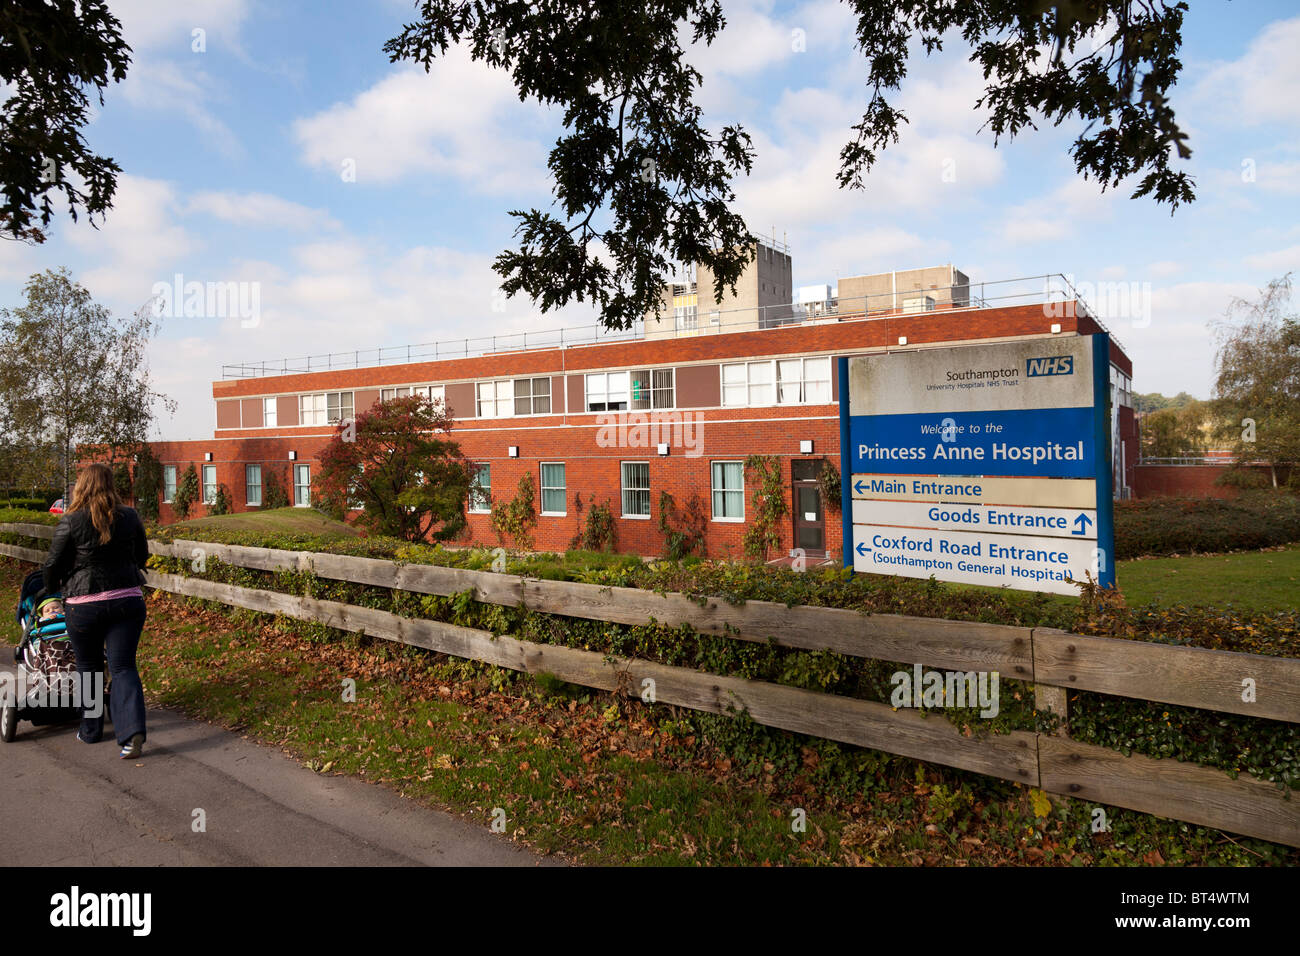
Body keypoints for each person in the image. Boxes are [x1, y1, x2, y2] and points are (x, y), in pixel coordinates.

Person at [42, 463, 150, 758]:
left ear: (81, 486)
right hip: (127, 599)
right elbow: (142, 555)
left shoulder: (71, 520)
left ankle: (90, 731)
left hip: (83, 604)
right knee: (123, 666)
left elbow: (53, 563)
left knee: (88, 666)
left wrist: (51, 587)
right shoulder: (129, 516)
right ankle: (131, 735)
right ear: (110, 485)